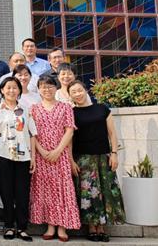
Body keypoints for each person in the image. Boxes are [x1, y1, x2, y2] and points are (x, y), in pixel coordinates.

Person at [69, 81, 125, 242]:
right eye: (73, 92)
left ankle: (102, 227)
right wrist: (71, 160)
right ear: (70, 95)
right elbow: (70, 139)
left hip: (103, 157)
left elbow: (112, 134)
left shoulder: (102, 109)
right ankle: (92, 227)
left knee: (105, 191)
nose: (77, 94)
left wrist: (114, 153)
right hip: (83, 158)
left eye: (80, 90)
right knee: (88, 194)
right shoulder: (71, 113)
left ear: (85, 90)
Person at [29, 75, 80, 241]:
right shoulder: (34, 109)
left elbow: (69, 130)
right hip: (41, 155)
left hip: (61, 155)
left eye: (50, 86)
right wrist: (42, 151)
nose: (47, 89)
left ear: (56, 87)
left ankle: (62, 227)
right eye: (43, 86)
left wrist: (58, 150)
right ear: (38, 89)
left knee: (63, 189)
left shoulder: (66, 107)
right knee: (47, 190)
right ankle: (50, 225)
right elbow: (31, 133)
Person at [0, 76, 37, 242]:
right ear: (2, 90)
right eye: (8, 87)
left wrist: (33, 157)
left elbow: (32, 133)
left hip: (24, 156)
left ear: (19, 91)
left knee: (22, 192)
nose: (11, 90)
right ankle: (9, 225)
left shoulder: (26, 109)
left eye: (14, 87)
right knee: (6, 191)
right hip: (3, 155)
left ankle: (23, 227)